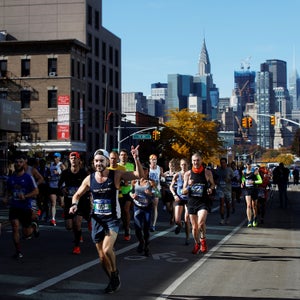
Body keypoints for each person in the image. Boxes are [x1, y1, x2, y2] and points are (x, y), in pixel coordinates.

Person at [69, 146, 143, 294]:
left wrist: (136, 158)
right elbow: (76, 195)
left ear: (107, 161)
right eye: (96, 161)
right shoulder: (89, 179)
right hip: (97, 220)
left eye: (101, 161)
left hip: (112, 219)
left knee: (107, 249)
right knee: (102, 257)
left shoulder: (116, 175)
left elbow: (138, 174)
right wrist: (74, 205)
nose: (98, 164)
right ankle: (112, 280)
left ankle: (115, 273)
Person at [3, 155, 40, 259]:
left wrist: (26, 196)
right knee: (15, 227)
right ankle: (18, 251)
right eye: (16, 162)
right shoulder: (11, 179)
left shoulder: (28, 178)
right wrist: (6, 198)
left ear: (24, 164)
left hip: (25, 207)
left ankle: (34, 226)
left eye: (20, 162)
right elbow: (8, 191)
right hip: (14, 206)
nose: (18, 164)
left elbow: (36, 191)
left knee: (26, 233)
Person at [182, 152, 215, 254]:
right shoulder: (187, 174)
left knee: (201, 223)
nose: (196, 162)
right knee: (195, 227)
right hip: (192, 202)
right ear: (191, 162)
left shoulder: (207, 173)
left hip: (203, 202)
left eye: (198, 160)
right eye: (194, 160)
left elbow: (213, 185)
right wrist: (189, 186)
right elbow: (183, 191)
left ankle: (203, 241)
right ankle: (196, 244)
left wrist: (210, 189)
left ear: (201, 161)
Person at [58, 152, 90, 254]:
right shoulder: (65, 173)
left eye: (75, 158)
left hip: (81, 201)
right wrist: (63, 190)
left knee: (77, 223)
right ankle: (78, 234)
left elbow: (89, 185)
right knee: (69, 226)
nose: (73, 160)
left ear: (79, 160)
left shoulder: (84, 173)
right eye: (71, 158)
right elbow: (59, 185)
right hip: (69, 201)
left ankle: (76, 247)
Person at [130, 164, 155, 256]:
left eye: (145, 170)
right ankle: (141, 242)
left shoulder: (151, 182)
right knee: (137, 228)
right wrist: (132, 196)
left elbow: (159, 194)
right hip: (137, 206)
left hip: (147, 207)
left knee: (146, 228)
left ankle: (146, 246)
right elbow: (130, 191)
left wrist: (151, 193)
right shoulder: (134, 181)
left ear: (147, 171)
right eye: (142, 169)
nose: (143, 172)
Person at [169, 158, 191, 245]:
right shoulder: (177, 175)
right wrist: (174, 194)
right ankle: (180, 224)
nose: (184, 166)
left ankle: (187, 238)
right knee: (177, 220)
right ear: (180, 165)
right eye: (182, 164)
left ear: (188, 165)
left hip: (189, 198)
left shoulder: (191, 174)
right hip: (179, 198)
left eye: (185, 164)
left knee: (187, 219)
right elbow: (171, 186)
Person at [118, 149, 135, 241]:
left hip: (128, 191)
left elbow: (133, 178)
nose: (123, 156)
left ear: (127, 156)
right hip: (119, 192)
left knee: (126, 209)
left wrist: (132, 187)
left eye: (125, 155)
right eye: (121, 155)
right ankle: (125, 225)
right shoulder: (116, 166)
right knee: (120, 212)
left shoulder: (131, 166)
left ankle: (127, 230)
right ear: (119, 156)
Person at [241, 162, 262, 227]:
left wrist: (254, 182)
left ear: (251, 165)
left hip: (254, 189)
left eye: (249, 164)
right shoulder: (243, 171)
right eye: (247, 164)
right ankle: (249, 221)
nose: (248, 165)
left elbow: (260, 181)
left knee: (254, 206)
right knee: (248, 205)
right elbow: (243, 178)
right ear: (246, 165)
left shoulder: (255, 171)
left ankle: (255, 218)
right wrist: (242, 183)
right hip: (247, 190)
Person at [215, 157, 234, 225]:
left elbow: (234, 178)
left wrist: (229, 180)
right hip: (220, 189)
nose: (222, 164)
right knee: (221, 203)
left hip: (228, 189)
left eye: (224, 163)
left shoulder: (229, 170)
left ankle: (228, 217)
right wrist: (216, 182)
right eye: (221, 163)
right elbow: (215, 178)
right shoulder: (218, 170)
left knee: (228, 205)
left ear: (226, 163)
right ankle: (222, 218)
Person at [49, 152, 65, 226]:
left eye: (56, 157)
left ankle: (67, 212)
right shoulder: (51, 164)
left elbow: (65, 172)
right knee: (53, 203)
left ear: (59, 158)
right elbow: (49, 173)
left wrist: (59, 172)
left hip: (60, 186)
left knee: (61, 204)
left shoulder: (61, 164)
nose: (55, 158)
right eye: (54, 157)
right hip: (52, 185)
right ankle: (53, 219)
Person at [148, 154, 164, 232]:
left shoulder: (159, 168)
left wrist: (164, 178)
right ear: (150, 160)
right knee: (147, 206)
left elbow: (163, 176)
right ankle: (147, 222)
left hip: (156, 189)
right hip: (148, 189)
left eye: (155, 159)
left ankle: (153, 225)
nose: (154, 161)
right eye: (152, 159)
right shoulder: (147, 168)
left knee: (155, 206)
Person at [161, 159, 178, 225]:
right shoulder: (165, 174)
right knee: (168, 207)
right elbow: (162, 182)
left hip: (174, 191)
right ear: (168, 165)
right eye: (170, 165)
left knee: (174, 205)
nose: (171, 166)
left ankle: (173, 217)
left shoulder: (176, 174)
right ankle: (172, 214)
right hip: (167, 192)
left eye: (173, 165)